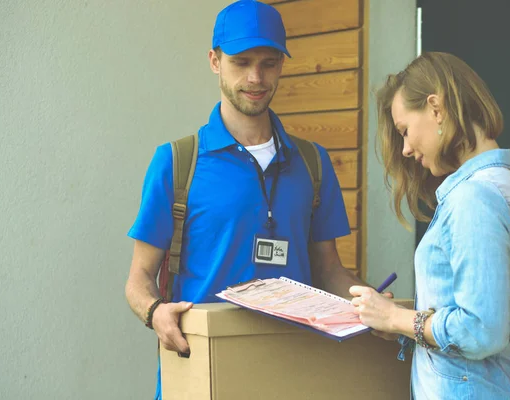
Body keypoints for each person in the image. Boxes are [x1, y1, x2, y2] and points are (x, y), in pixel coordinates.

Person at [125, 1, 364, 398]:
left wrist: (370, 302)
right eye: (241, 62)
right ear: (214, 61)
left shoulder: (313, 162)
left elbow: (329, 271)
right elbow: (137, 280)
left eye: (269, 62)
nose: (256, 77)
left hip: (294, 373)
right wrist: (155, 313)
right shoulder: (176, 162)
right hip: (199, 370)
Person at [350, 52, 510, 399]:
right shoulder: (501, 185)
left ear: (436, 108)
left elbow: (480, 329)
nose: (405, 149)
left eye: (405, 131)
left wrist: (395, 318)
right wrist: (407, 324)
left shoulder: (473, 198)